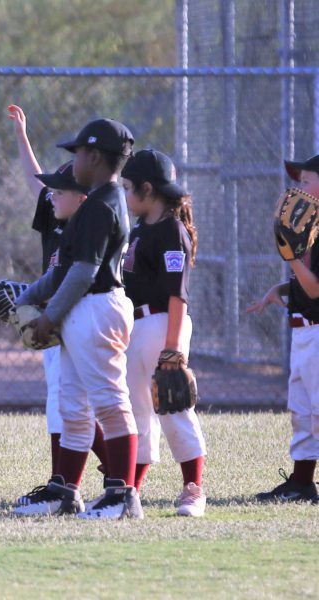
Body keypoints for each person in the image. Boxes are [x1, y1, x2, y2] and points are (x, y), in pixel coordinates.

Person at [15, 118, 141, 519]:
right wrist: (26, 299)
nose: (74, 161)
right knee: (72, 406)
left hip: (97, 305)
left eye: (78, 153)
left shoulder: (103, 204)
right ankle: (64, 493)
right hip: (81, 308)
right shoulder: (93, 203)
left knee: (108, 402)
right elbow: (61, 271)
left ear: (96, 156)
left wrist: (48, 318)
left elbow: (84, 272)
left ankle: (123, 496)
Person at [5, 106, 111, 516]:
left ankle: (90, 477)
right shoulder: (54, 215)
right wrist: (21, 136)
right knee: (64, 400)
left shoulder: (94, 224)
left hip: (82, 316)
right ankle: (71, 480)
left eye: (59, 190)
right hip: (53, 318)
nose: (49, 195)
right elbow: (37, 180)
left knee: (80, 402)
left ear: (81, 195)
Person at [120, 149, 208, 517]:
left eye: (129, 188)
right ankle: (130, 492)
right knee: (137, 410)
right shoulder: (141, 229)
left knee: (172, 407)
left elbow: (177, 294)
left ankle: (193, 489)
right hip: (137, 326)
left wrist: (172, 349)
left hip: (161, 323)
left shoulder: (170, 229)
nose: (125, 196)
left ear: (147, 188)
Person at [247, 153, 319, 503]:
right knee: (302, 413)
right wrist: (280, 290)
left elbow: (316, 288)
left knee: (318, 413)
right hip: (304, 333)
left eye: (305, 181)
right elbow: (305, 287)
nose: (297, 188)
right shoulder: (311, 229)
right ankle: (302, 483)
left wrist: (291, 258)